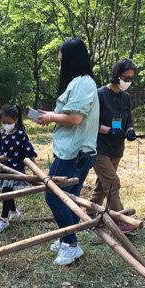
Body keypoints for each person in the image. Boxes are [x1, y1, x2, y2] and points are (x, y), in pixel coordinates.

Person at [36, 38, 99, 266]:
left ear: (71, 60)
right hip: (78, 151)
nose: (60, 64)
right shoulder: (81, 82)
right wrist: (51, 113)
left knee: (54, 196)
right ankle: (66, 237)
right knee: (70, 198)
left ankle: (71, 244)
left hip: (73, 153)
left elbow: (74, 118)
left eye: (62, 60)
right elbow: (70, 112)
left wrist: (51, 117)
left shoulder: (83, 82)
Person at [91, 58, 138, 232]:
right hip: (99, 147)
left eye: (131, 79)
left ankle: (88, 215)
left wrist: (131, 130)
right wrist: (109, 130)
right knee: (112, 182)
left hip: (117, 148)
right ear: (116, 75)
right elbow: (91, 124)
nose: (128, 82)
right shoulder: (99, 94)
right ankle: (119, 218)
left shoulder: (125, 97)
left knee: (102, 186)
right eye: (126, 77)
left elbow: (129, 120)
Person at [0, 104, 37, 233]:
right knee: (8, 191)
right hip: (3, 168)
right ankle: (14, 212)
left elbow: (29, 152)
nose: (6, 125)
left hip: (16, 169)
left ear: (15, 120)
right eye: (3, 122)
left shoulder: (21, 134)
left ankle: (4, 219)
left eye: (8, 122)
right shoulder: (2, 135)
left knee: (6, 191)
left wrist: (35, 171)